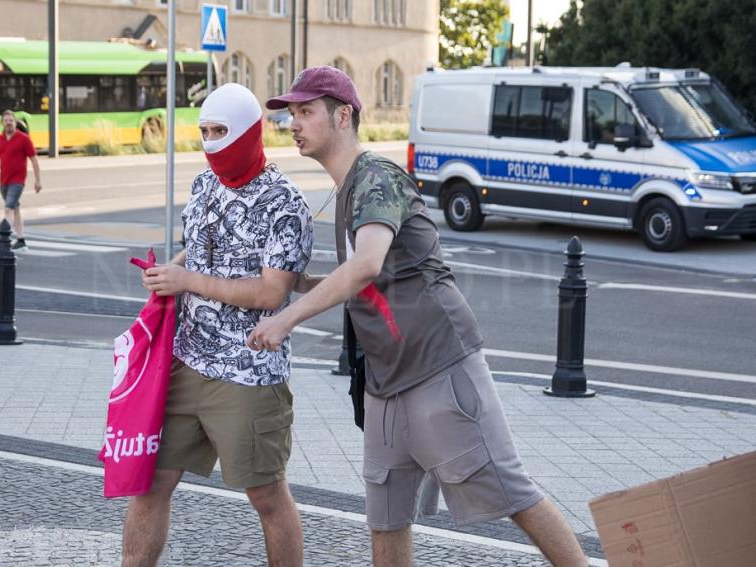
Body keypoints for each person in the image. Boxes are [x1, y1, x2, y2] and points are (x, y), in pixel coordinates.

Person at [248, 66, 589, 567]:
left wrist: (285, 319)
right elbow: (373, 284)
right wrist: (296, 283)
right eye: (291, 114)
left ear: (343, 115)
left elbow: (366, 267)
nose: (293, 124)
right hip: (386, 384)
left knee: (511, 492)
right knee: (385, 516)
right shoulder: (348, 190)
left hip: (440, 368)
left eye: (305, 112)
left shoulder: (376, 178)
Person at [121, 83, 313, 567]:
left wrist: (189, 279)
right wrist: (170, 273)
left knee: (267, 496)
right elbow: (201, 246)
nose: (210, 142)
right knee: (151, 484)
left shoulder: (285, 202)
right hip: (185, 359)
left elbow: (272, 293)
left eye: (221, 131)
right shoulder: (203, 183)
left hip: (247, 371)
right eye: (204, 131)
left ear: (249, 131)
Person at [0, 109, 42, 251]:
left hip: (18, 181)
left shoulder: (23, 138)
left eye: (11, 121)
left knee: (8, 208)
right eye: (5, 121)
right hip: (3, 181)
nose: (8, 123)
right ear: (2, 123)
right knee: (15, 208)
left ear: (15, 122)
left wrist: (38, 180)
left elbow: (34, 160)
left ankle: (3, 239)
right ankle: (21, 240)